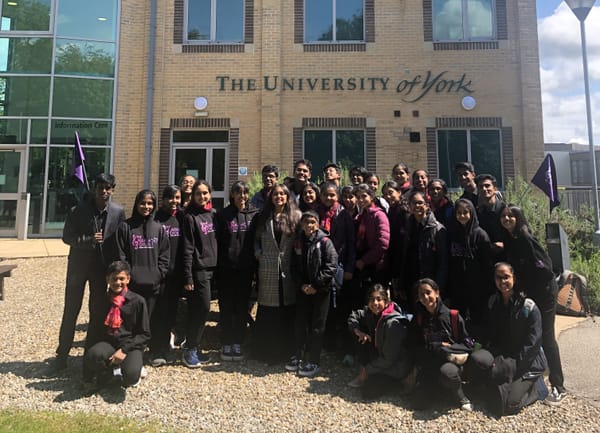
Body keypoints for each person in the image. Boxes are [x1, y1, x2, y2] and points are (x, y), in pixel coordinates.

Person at [49, 173, 125, 374]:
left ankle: (90, 352)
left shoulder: (118, 212)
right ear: (94, 187)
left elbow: (119, 241)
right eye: (100, 187)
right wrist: (88, 240)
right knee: (71, 311)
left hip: (101, 269)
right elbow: (67, 237)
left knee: (97, 311)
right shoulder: (78, 210)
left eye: (108, 188)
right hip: (78, 267)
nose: (104, 191)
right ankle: (62, 354)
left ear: (112, 189)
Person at [499, 205, 566, 405]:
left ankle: (558, 386)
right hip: (530, 292)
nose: (507, 219)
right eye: (503, 216)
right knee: (529, 333)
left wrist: (526, 286)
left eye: (511, 216)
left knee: (546, 336)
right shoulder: (511, 240)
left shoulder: (525, 238)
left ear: (519, 218)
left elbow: (545, 269)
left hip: (544, 293)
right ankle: (537, 374)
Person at [469, 263, 548, 416]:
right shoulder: (493, 302)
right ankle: (498, 380)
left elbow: (533, 344)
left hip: (525, 362)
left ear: (514, 278)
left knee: (510, 405)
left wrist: (514, 368)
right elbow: (486, 332)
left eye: (506, 277)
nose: (502, 281)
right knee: (477, 358)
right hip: (503, 355)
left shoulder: (528, 307)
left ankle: (536, 388)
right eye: (498, 277)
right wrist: (476, 348)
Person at [83, 261, 150, 393]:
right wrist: (87, 377)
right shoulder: (101, 301)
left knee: (131, 377)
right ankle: (109, 372)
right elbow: (92, 334)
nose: (118, 282)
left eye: (122, 279)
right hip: (108, 342)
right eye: (114, 279)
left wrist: (124, 350)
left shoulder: (138, 301)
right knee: (93, 355)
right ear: (107, 279)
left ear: (128, 279)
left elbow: (144, 334)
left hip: (129, 344)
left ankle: (133, 368)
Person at [252, 183, 301, 364]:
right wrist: (259, 254)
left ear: (288, 197)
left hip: (287, 268)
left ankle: (287, 352)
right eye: (275, 194)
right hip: (268, 268)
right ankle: (266, 352)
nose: (278, 197)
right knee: (268, 310)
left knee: (287, 310)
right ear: (270, 197)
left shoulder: (296, 216)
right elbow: (255, 240)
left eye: (282, 194)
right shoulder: (263, 216)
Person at [287, 211, 338, 377]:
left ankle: (314, 360)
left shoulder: (325, 242)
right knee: (300, 323)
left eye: (312, 222)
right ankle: (299, 355)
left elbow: (331, 266)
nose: (309, 225)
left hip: (321, 291)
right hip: (303, 290)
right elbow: (293, 266)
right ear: (301, 224)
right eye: (306, 222)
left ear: (318, 224)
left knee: (317, 326)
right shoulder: (298, 242)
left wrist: (316, 285)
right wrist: (301, 285)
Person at [411, 278, 474, 411]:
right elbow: (413, 344)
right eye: (421, 294)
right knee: (418, 404)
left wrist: (448, 348)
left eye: (428, 292)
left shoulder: (453, 316)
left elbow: (468, 344)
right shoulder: (419, 318)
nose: (425, 297)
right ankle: (437, 390)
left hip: (450, 362)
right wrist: (435, 346)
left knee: (447, 373)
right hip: (429, 362)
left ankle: (460, 395)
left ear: (437, 293)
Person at [216, 181, 259, 362]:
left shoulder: (254, 215)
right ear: (232, 195)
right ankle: (226, 341)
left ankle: (238, 342)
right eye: (238, 193)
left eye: (245, 193)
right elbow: (218, 241)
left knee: (241, 307)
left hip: (245, 269)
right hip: (226, 269)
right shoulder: (223, 215)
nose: (242, 196)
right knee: (226, 306)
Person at [347, 284, 414, 399]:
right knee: (358, 337)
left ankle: (405, 378)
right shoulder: (371, 312)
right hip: (381, 358)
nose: (375, 303)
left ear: (386, 301)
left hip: (395, 364)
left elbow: (389, 359)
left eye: (379, 299)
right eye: (372, 299)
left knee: (369, 392)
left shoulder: (393, 323)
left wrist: (367, 370)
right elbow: (355, 315)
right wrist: (358, 331)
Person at [116, 189, 170, 321]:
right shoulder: (125, 227)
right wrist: (128, 276)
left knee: (150, 320)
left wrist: (159, 274)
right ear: (136, 204)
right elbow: (121, 254)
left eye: (150, 203)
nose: (146, 207)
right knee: (133, 319)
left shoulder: (158, 228)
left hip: (153, 284)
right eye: (143, 203)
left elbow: (164, 254)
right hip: (132, 285)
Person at [181, 180, 218, 368]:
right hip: (199, 270)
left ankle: (195, 346)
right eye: (198, 194)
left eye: (205, 193)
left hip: (213, 269)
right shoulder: (190, 217)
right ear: (193, 196)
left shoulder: (213, 214)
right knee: (201, 308)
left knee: (201, 309)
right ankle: (189, 348)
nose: (202, 197)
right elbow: (187, 248)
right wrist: (188, 276)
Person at [316, 182, 356, 351]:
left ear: (337, 196)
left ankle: (343, 344)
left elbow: (351, 242)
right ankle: (327, 341)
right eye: (326, 195)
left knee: (340, 304)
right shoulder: (317, 212)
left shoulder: (344, 214)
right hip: (321, 264)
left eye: (332, 195)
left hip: (340, 263)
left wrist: (349, 267)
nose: (329, 198)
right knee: (324, 305)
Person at [447, 199, 493, 336]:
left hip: (476, 287)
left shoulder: (481, 235)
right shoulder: (452, 233)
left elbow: (487, 264)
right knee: (458, 318)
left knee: (476, 319)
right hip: (457, 286)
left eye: (465, 213)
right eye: (459, 213)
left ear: (471, 213)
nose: (462, 216)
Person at [150, 185, 184, 367]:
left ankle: (166, 344)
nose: (174, 202)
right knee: (157, 312)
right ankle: (155, 348)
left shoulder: (182, 217)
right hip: (158, 273)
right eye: (170, 198)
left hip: (176, 274)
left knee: (171, 311)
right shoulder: (155, 219)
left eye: (177, 198)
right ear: (163, 200)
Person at [399, 190, 448, 305]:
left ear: (427, 205)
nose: (417, 206)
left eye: (420, 203)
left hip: (429, 283)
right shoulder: (408, 226)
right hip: (411, 280)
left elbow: (443, 262)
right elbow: (404, 256)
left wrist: (439, 288)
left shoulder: (437, 229)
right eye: (414, 203)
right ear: (409, 206)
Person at [475, 174, 506, 259]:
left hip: (505, 258)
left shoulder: (505, 210)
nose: (484, 189)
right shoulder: (478, 213)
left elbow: (518, 235)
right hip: (486, 259)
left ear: (495, 189)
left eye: (487, 186)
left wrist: (505, 244)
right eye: (481, 187)